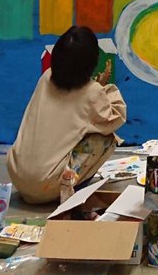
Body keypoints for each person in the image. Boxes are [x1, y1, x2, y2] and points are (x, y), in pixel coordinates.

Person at [7, 26, 126, 204]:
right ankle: (69, 187)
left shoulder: (46, 78)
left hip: (19, 178)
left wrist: (96, 88)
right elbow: (116, 117)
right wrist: (104, 89)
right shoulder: (92, 92)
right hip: (46, 187)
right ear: (92, 62)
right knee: (106, 138)